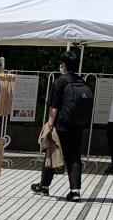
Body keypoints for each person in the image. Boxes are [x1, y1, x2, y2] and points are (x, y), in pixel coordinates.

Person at [32, 51, 92, 202]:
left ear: (63, 65)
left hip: (61, 126)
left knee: (52, 153)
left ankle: (44, 187)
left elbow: (54, 106)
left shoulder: (60, 82)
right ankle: (75, 191)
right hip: (78, 125)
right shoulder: (82, 81)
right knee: (74, 156)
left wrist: (50, 124)